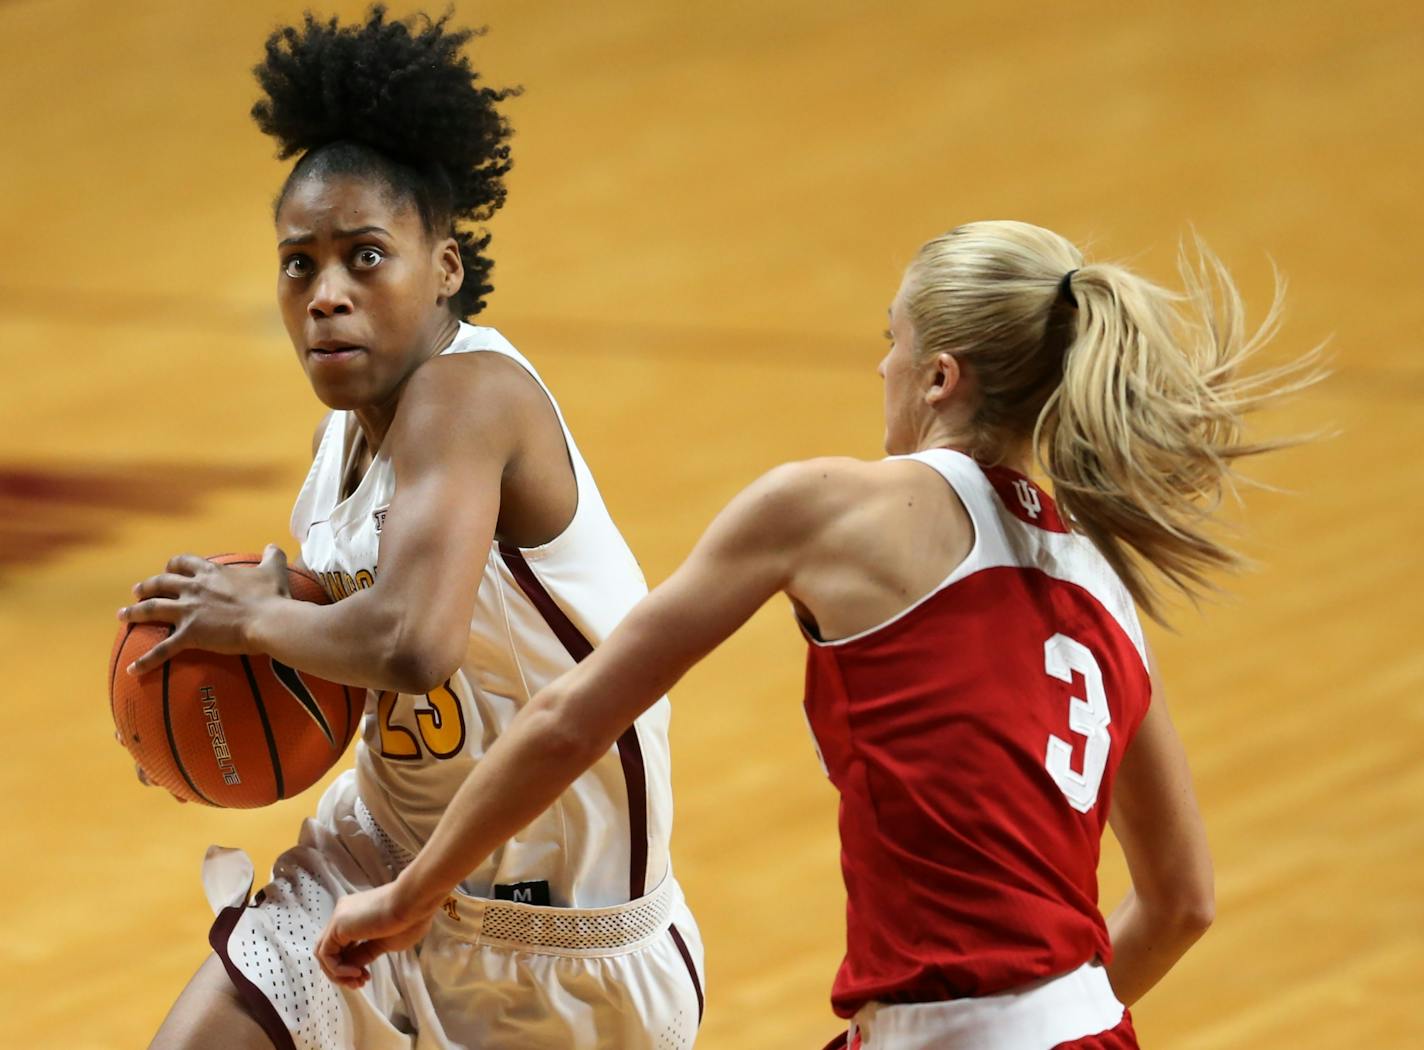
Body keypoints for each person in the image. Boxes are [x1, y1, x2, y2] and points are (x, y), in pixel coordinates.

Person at [312, 220, 1320, 1049]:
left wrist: (411, 891)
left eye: (890, 339)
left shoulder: (832, 509)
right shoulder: (1101, 584)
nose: (878, 363)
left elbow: (573, 717)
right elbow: (1181, 901)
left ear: (937, 378)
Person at [118, 8, 703, 1050]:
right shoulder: (335, 451)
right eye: (299, 265)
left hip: (566, 943)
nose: (326, 295)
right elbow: (367, 673)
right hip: (377, 854)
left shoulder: (469, 395)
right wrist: (185, 708)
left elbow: (409, 643)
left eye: (364, 257)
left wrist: (253, 625)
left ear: (445, 267)